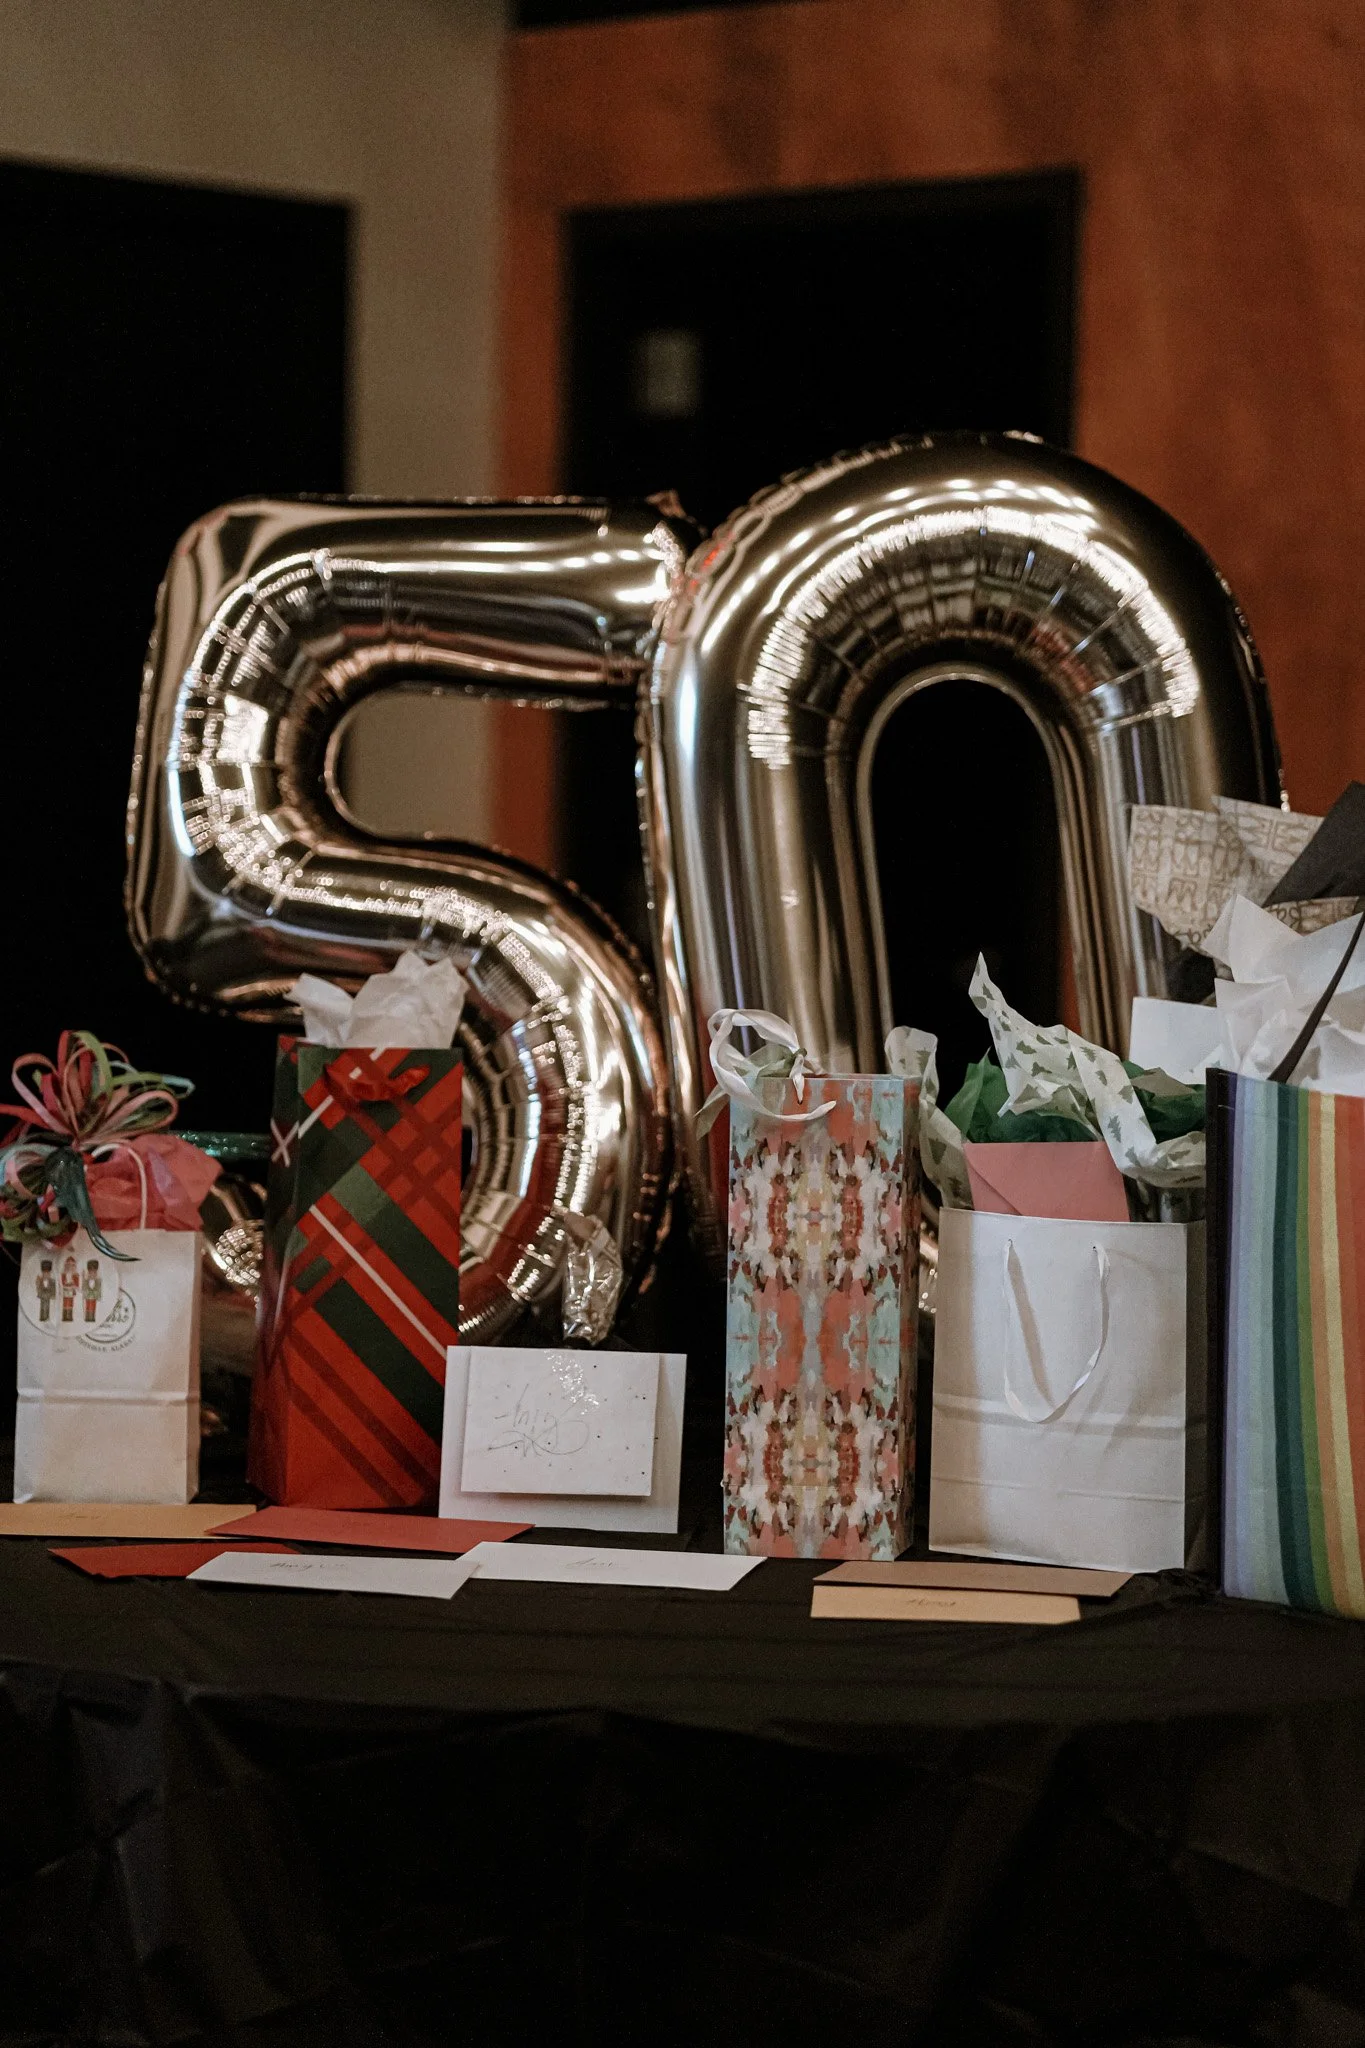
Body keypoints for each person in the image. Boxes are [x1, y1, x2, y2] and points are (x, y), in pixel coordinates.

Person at [59, 1255, 79, 1323]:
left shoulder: (75, 1275)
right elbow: (62, 1283)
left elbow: (77, 1285)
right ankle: (65, 1316)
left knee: (70, 1304)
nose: (70, 1266)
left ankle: (69, 1316)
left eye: (72, 1265)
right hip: (65, 1291)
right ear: (66, 1265)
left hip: (71, 1291)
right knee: (65, 1303)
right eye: (68, 1265)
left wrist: (72, 1284)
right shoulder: (63, 1274)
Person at [35, 1258, 56, 1323]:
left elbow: (53, 1289)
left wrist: (52, 1295)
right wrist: (38, 1283)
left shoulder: (52, 1281)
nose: (46, 1274)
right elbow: (38, 1288)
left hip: (49, 1296)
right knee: (43, 1306)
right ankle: (43, 1318)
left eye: (48, 1273)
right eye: (44, 1273)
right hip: (43, 1296)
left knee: (47, 1307)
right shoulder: (40, 1280)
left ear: (50, 1273)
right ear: (42, 1273)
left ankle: (47, 1318)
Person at [82, 1258, 102, 1324]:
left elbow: (98, 1291)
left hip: (93, 1300)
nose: (92, 1274)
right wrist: (83, 1278)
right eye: (91, 1272)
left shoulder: (98, 1281)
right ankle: (87, 1318)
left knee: (92, 1310)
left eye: (94, 1272)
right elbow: (84, 1290)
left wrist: (93, 1294)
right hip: (88, 1300)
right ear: (88, 1273)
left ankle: (92, 1318)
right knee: (87, 1309)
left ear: (96, 1273)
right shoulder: (86, 1281)